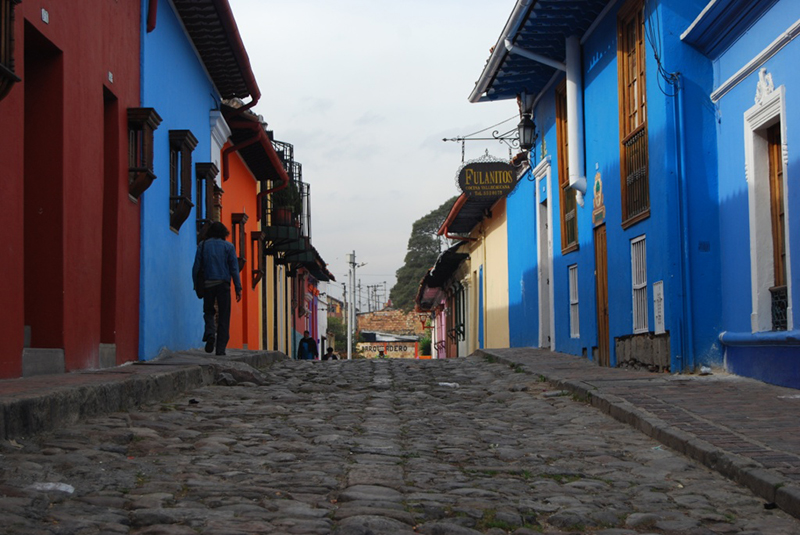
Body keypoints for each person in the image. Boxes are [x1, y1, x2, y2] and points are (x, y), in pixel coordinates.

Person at [192, 222, 242, 356]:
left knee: (208, 311)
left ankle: (210, 333)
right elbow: (234, 269)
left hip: (208, 284)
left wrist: (196, 285)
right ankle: (220, 349)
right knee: (224, 316)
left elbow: (196, 267)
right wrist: (238, 288)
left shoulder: (202, 246)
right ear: (224, 233)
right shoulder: (229, 247)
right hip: (223, 285)